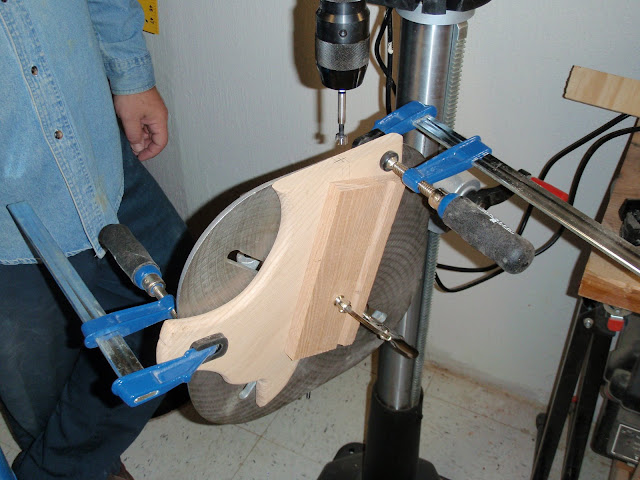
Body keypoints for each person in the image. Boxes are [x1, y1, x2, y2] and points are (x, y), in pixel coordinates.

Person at [0, 1, 191, 478]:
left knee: (188, 304)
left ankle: (70, 464)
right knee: (38, 389)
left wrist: (131, 74)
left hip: (89, 145)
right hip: (6, 212)